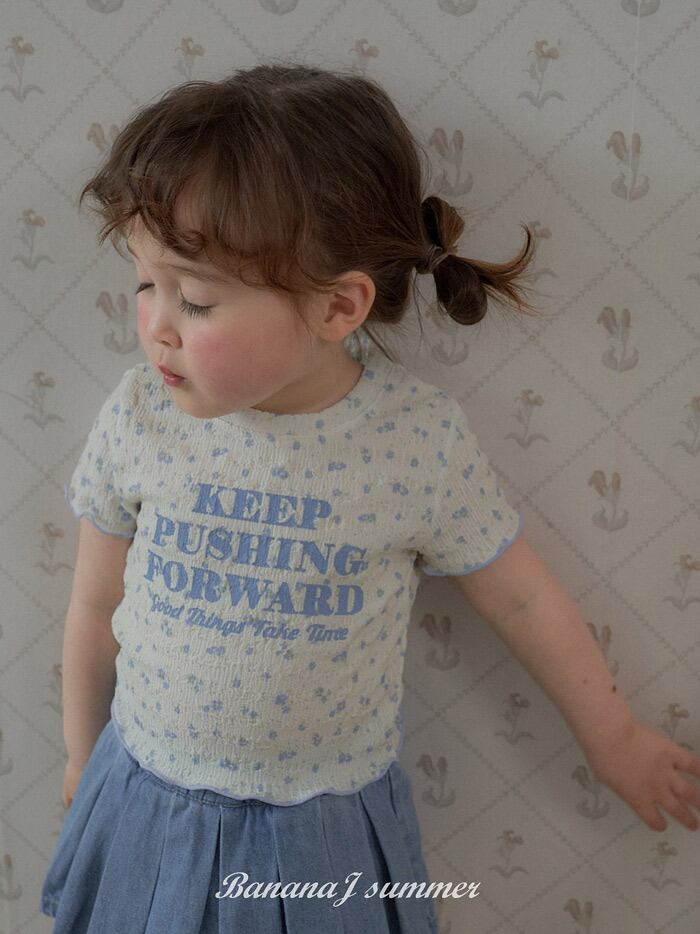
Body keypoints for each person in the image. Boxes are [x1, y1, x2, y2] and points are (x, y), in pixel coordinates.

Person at [40, 62, 700, 934]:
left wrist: (612, 738)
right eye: (143, 284)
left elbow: (524, 598)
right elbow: (95, 607)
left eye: (194, 300)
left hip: (323, 831)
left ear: (337, 307)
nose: (155, 326)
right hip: (147, 807)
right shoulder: (140, 417)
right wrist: (82, 754)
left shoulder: (412, 441)